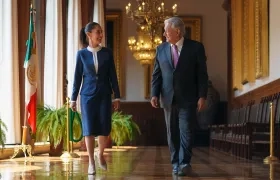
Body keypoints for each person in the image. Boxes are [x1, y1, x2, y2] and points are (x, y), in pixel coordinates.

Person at [150, 17, 208, 176]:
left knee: (186, 130)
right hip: (168, 98)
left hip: (188, 98)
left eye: (166, 30)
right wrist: (154, 94)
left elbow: (202, 75)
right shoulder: (160, 49)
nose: (163, 33)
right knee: (172, 132)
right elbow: (156, 75)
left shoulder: (196, 48)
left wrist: (202, 96)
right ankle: (175, 163)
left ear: (177, 31)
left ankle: (185, 163)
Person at [70, 22, 121, 175]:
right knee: (89, 129)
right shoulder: (81, 54)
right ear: (89, 35)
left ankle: (100, 154)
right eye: (97, 32)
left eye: (101, 32)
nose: (101, 35)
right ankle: (91, 161)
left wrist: (117, 96)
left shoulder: (107, 53)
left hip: (105, 95)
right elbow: (77, 77)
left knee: (104, 128)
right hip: (87, 96)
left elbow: (113, 76)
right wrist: (73, 98)